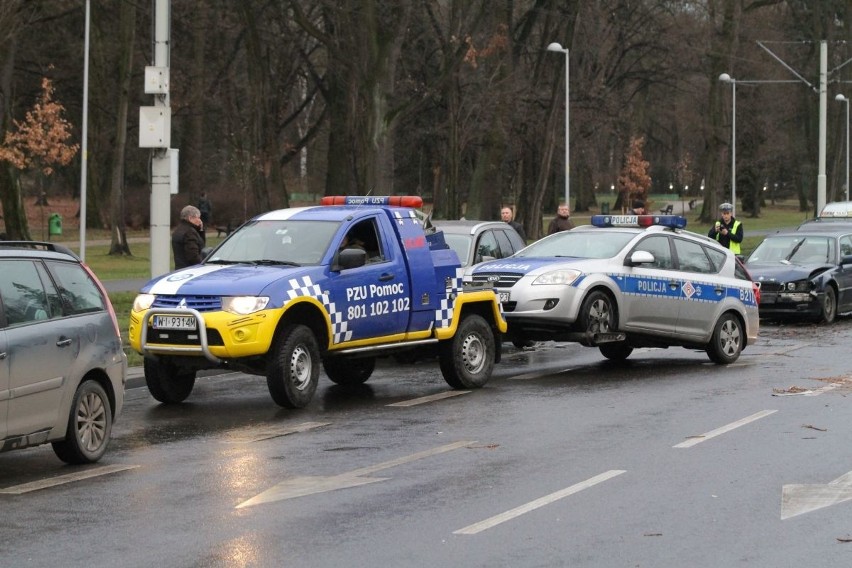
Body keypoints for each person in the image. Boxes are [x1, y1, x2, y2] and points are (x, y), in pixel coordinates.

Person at [172, 205, 206, 269]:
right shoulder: (190, 233)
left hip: (179, 269)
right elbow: (193, 256)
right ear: (190, 218)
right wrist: (202, 266)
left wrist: (201, 229)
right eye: (198, 217)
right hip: (190, 270)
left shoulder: (177, 230)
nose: (200, 220)